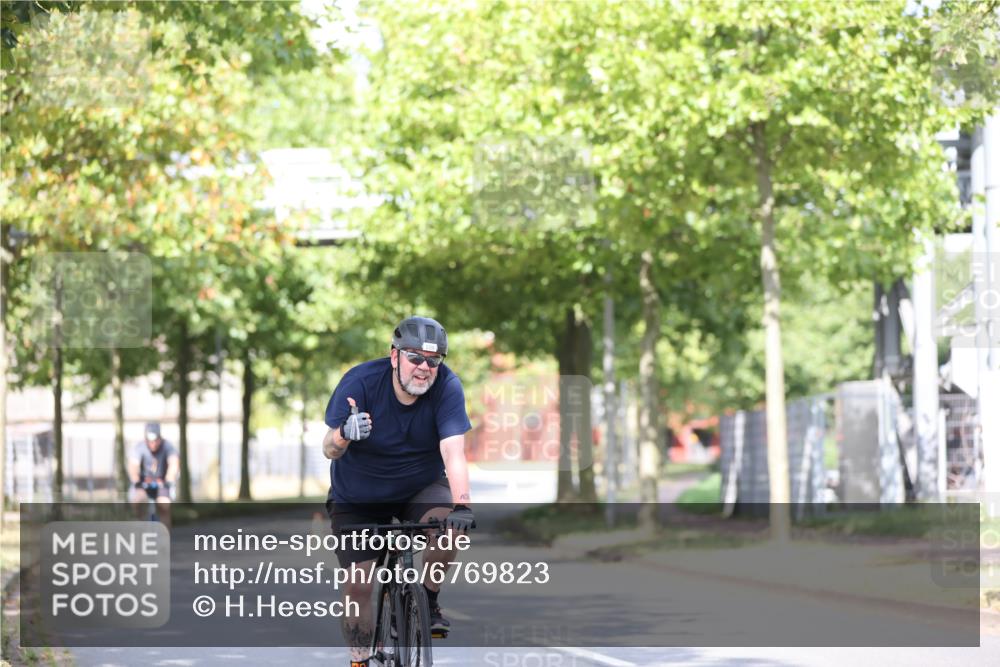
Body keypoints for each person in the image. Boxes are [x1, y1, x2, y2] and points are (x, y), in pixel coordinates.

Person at [322, 316, 474, 667]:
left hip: (419, 488)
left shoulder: (447, 387)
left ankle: (428, 601)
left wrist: (463, 506)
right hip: (358, 497)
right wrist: (344, 433)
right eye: (415, 357)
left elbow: (453, 451)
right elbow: (329, 448)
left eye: (433, 361)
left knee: (450, 527)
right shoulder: (360, 382)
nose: (424, 368)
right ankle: (360, 661)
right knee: (358, 585)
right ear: (395, 356)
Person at [128, 422, 179, 529]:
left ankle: (164, 535)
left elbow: (173, 463)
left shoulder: (168, 446)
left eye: (156, 440)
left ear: (160, 438)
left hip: (163, 483)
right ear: (145, 439)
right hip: (143, 483)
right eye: (150, 441)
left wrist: (170, 479)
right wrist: (136, 481)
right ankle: (140, 528)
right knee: (138, 501)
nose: (153, 444)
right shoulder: (139, 447)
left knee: (164, 504)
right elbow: (133, 466)